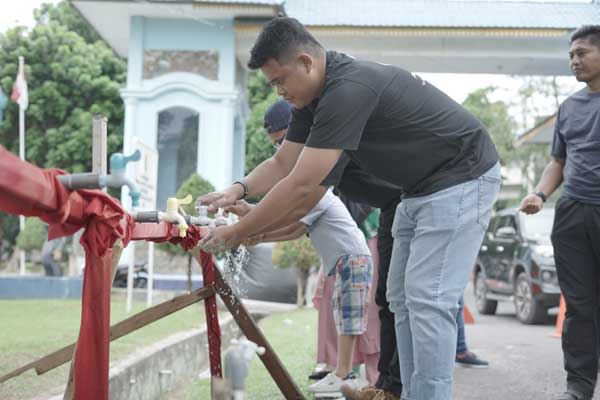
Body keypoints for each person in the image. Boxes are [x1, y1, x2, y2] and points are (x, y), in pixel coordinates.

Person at [198, 17, 500, 400]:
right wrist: (235, 190)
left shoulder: (348, 90)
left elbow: (304, 187)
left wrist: (237, 233)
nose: (279, 92)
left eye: (279, 81)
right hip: (414, 192)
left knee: (428, 299)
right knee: (401, 301)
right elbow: (281, 164)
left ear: (306, 62)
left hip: (461, 176)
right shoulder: (313, 100)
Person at [229, 100, 375, 397]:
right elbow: (296, 227)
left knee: (350, 318)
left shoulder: (314, 187)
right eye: (278, 146)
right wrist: (255, 230)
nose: (283, 151)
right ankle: (342, 373)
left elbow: (290, 222)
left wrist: (251, 227)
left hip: (353, 258)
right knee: (343, 315)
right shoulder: (312, 188)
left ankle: (345, 374)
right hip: (346, 259)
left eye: (285, 142)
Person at [519, 25, 600, 400]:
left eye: (582, 52)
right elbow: (559, 161)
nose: (574, 61)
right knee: (579, 306)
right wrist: (539, 193)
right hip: (572, 213)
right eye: (571, 55)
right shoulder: (569, 107)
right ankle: (579, 386)